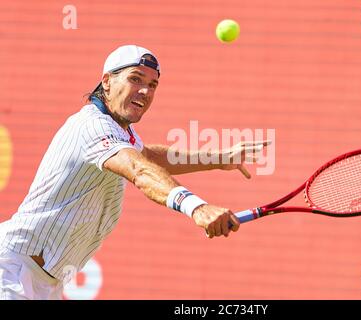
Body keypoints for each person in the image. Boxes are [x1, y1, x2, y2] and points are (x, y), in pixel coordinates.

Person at [0, 45, 269, 300]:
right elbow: (139, 170)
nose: (144, 91)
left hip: (46, 281)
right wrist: (197, 208)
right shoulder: (93, 127)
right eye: (135, 79)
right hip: (11, 271)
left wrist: (220, 158)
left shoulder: (120, 131)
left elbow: (148, 157)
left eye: (152, 85)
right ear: (106, 81)